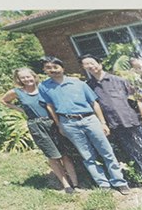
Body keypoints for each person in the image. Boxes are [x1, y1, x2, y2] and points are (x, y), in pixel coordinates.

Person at [39, 57, 129, 191]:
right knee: (87, 155)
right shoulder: (44, 86)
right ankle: (103, 184)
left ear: (62, 68)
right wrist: (59, 125)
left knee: (106, 151)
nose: (53, 70)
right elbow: (50, 107)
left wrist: (103, 123)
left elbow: (94, 103)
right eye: (48, 68)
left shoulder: (78, 83)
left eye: (55, 67)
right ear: (44, 70)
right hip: (68, 122)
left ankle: (119, 182)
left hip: (89, 119)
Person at [1, 67, 81, 194]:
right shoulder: (17, 92)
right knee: (53, 156)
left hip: (53, 123)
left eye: (28, 76)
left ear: (34, 76)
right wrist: (22, 110)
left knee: (65, 154)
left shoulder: (44, 88)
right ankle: (66, 186)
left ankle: (75, 184)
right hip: (36, 125)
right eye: (23, 78)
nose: (27, 79)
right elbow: (4, 101)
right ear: (19, 80)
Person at [82, 55, 142, 175]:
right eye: (86, 64)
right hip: (114, 125)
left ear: (100, 63)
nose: (90, 66)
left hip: (133, 121)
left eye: (92, 62)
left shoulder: (120, 80)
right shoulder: (89, 86)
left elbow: (138, 100)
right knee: (131, 153)